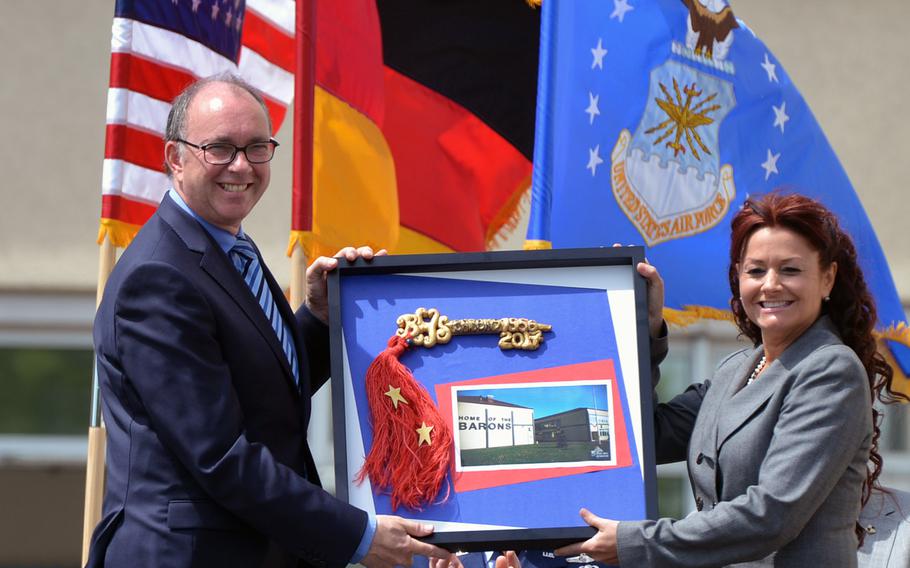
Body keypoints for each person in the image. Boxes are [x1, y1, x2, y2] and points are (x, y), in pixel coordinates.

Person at [86, 74, 453, 568]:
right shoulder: (157, 277)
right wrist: (360, 535)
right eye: (219, 148)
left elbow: (257, 383)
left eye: (257, 148)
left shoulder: (229, 247)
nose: (241, 166)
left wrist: (320, 318)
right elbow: (220, 455)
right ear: (175, 157)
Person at [548, 193, 908, 566]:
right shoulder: (734, 371)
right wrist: (643, 326)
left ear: (827, 278)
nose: (770, 285)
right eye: (755, 271)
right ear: (738, 278)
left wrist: (634, 542)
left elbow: (772, 515)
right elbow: (642, 437)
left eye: (790, 270)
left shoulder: (830, 370)